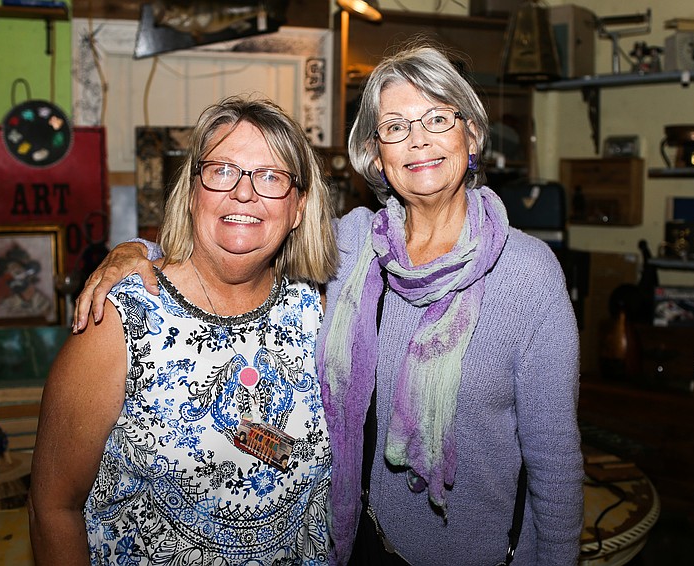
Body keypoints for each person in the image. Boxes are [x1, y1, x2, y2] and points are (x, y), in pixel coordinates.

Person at [74, 43, 583, 565]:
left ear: (471, 133)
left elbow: (556, 465)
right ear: (376, 153)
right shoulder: (355, 246)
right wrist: (135, 253)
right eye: (396, 126)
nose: (419, 140)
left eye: (437, 117)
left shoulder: (527, 274)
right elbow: (244, 237)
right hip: (356, 545)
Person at [29, 96, 338, 565]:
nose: (244, 192)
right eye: (222, 170)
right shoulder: (121, 318)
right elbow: (53, 508)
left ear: (298, 208)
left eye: (271, 177)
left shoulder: (321, 309)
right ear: (193, 192)